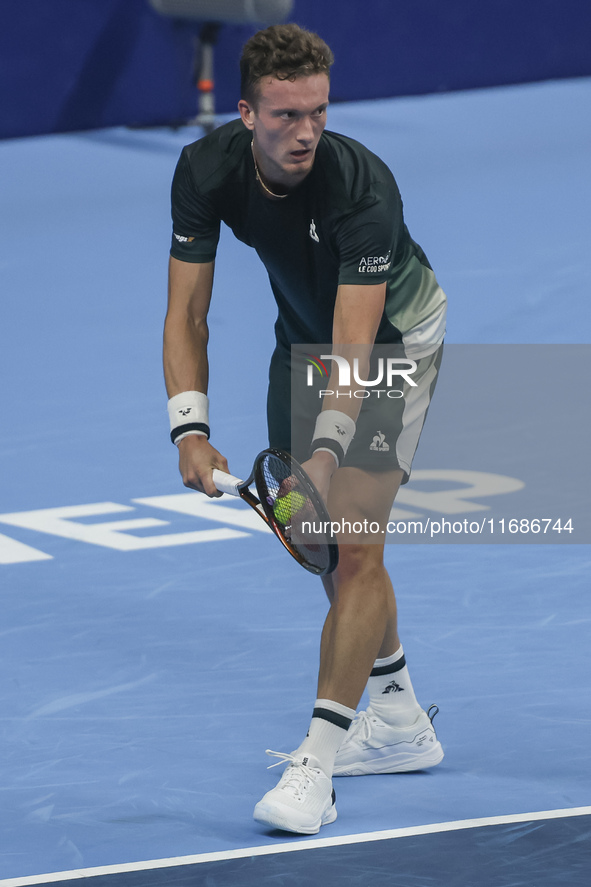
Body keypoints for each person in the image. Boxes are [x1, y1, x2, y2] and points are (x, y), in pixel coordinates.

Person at [163, 23, 446, 835]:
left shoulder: (360, 187)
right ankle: (394, 715)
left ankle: (317, 768)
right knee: (321, 545)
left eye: (318, 112)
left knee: (352, 540)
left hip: (390, 343)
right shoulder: (205, 171)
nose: (306, 132)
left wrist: (323, 453)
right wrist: (189, 426)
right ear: (245, 113)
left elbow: (356, 343)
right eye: (286, 116)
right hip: (301, 341)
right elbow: (187, 311)